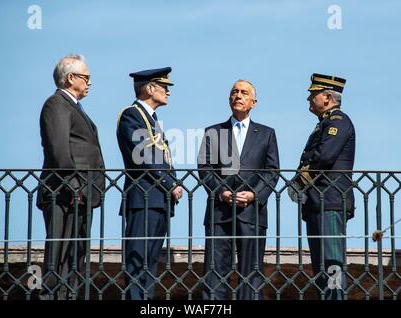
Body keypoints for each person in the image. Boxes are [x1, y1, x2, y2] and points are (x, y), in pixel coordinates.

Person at [198, 80, 280, 300]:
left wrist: (254, 194)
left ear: (254, 102)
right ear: (229, 99)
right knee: (215, 274)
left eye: (244, 93)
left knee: (251, 275)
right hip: (219, 212)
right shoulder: (213, 131)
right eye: (234, 92)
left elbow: (272, 171)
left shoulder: (266, 133)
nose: (238, 96)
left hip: (252, 212)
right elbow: (205, 168)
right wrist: (222, 192)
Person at [36, 54, 105, 300]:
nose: (90, 82)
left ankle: (69, 295)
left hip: (82, 194)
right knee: (59, 253)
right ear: (70, 78)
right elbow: (59, 150)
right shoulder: (56, 104)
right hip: (64, 193)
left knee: (76, 254)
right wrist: (74, 186)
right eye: (86, 77)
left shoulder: (73, 106)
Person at [116, 67, 183, 300]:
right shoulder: (132, 115)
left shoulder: (151, 118)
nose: (168, 92)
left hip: (157, 200)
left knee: (149, 266)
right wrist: (171, 183)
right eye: (165, 87)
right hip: (142, 199)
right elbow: (144, 155)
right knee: (137, 263)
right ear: (150, 88)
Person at [290, 73, 355, 300]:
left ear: (327, 97)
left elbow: (325, 157)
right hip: (318, 203)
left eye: (313, 94)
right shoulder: (324, 124)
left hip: (331, 201)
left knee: (332, 263)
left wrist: (299, 182)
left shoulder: (338, 121)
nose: (309, 99)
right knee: (320, 266)